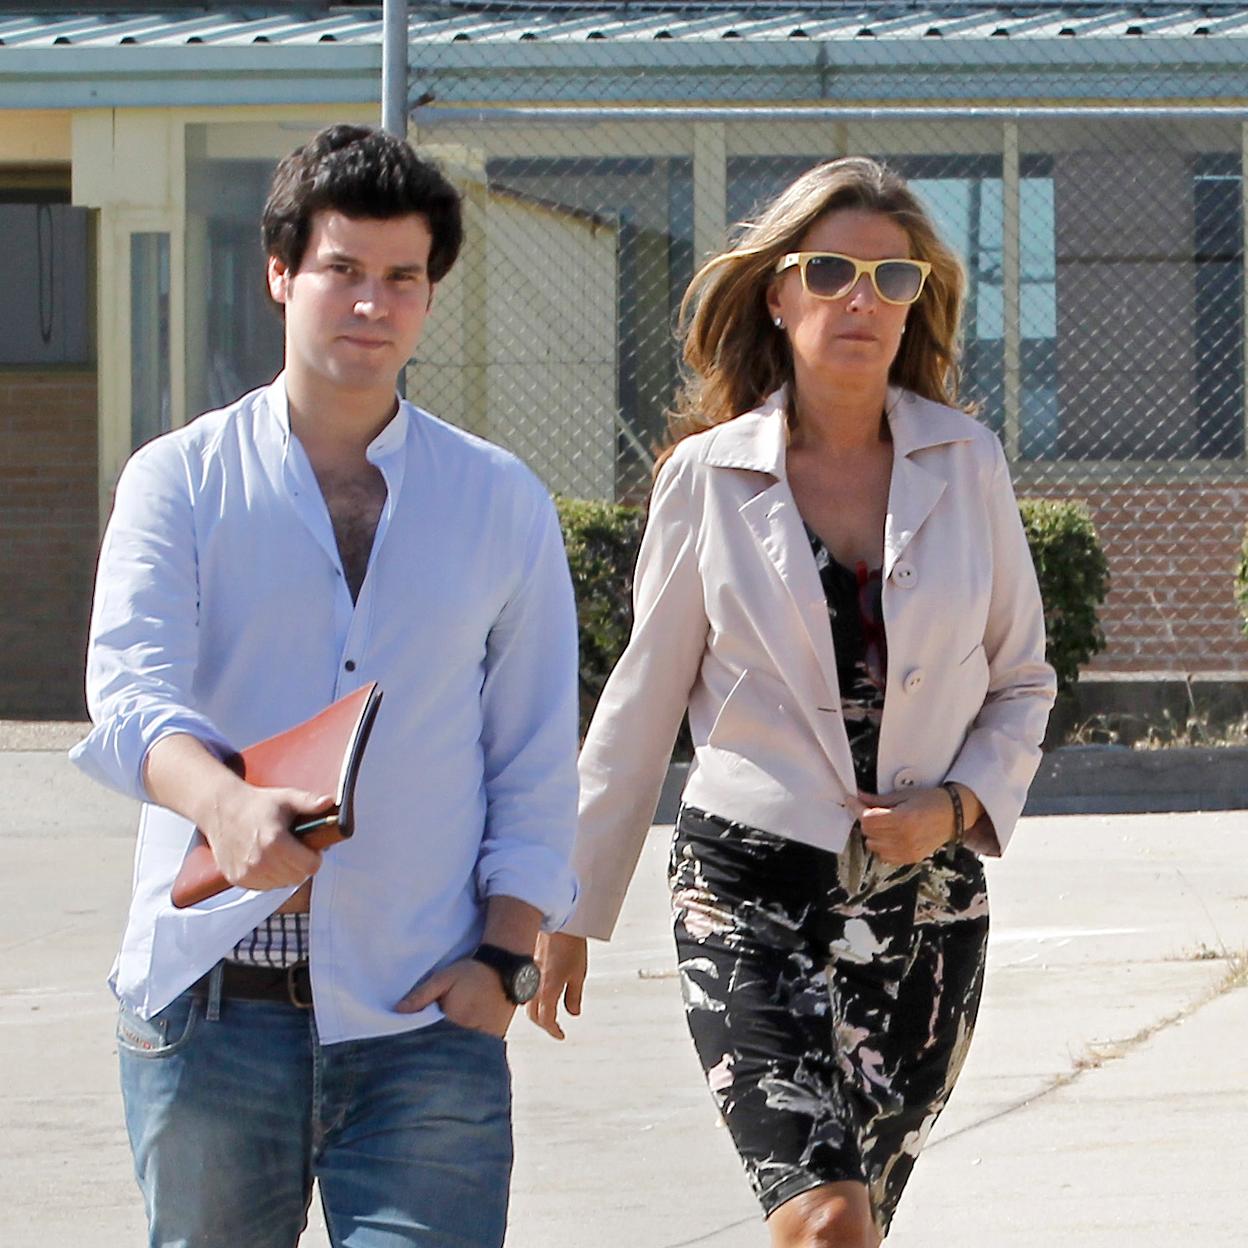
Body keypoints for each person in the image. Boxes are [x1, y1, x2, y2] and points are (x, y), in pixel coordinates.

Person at [529, 157, 1057, 1246]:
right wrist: (569, 909)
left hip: (927, 900)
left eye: (891, 279)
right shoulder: (707, 477)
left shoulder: (969, 464)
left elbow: (1022, 681)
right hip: (746, 890)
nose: (861, 299)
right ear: (778, 293)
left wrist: (955, 807)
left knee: (856, 1226)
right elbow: (640, 705)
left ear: (915, 305)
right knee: (822, 1222)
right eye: (829, 273)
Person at [71, 124, 580, 1248]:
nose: (371, 302)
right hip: (210, 1012)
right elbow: (131, 697)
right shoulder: (179, 480)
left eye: (403, 277)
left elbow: (535, 753)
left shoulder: (498, 500)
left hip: (423, 1018)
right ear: (280, 274)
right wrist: (222, 805)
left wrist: (504, 960)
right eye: (342, 268)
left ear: (430, 295)